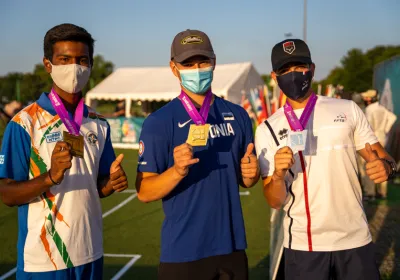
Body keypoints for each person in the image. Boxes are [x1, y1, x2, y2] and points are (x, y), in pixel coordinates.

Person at [255, 39, 397, 280]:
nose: (293, 75)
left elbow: (383, 157)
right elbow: (274, 200)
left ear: (312, 69)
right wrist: (278, 175)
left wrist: (386, 167)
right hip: (303, 244)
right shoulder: (267, 128)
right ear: (274, 76)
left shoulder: (347, 109)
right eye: (284, 70)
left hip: (355, 239)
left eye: (299, 67)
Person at [0, 23, 128, 280]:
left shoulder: (98, 123)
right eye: (64, 59)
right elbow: (7, 193)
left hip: (90, 253)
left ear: (90, 65)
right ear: (48, 64)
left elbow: (97, 188)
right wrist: (51, 176)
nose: (74, 68)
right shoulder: (25, 123)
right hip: (44, 260)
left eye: (82, 60)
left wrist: (111, 183)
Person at [135, 29, 259, 280]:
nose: (197, 68)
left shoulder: (238, 115)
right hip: (183, 251)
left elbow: (246, 180)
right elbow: (144, 192)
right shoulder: (159, 122)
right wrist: (177, 171)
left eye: (203, 61)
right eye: (188, 63)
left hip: (232, 246)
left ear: (214, 62)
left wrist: (251, 174)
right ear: (174, 68)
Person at [361, 89, 397, 199]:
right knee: (384, 163)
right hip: (383, 137)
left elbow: (367, 126)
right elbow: (393, 118)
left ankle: (370, 192)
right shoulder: (383, 108)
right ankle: (383, 192)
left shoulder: (369, 109)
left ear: (370, 98)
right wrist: (385, 130)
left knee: (368, 165)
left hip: (371, 139)